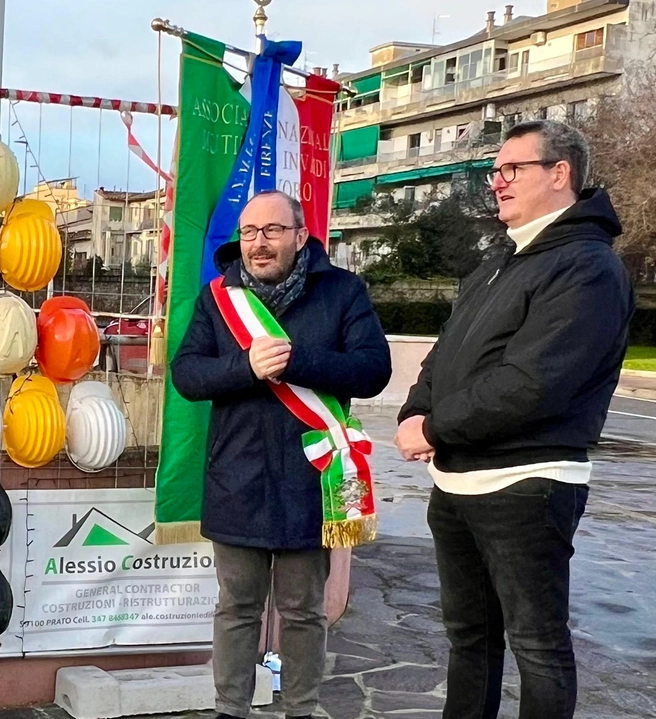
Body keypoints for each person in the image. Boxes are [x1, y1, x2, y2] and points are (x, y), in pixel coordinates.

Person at [395, 120, 632, 719]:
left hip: (526, 485)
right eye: (494, 172)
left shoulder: (588, 267)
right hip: (456, 484)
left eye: (511, 169)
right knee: (468, 638)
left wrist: (436, 428)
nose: (496, 183)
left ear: (560, 174)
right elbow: (445, 353)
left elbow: (534, 383)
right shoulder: (501, 262)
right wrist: (414, 410)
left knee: (538, 646)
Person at [171, 190, 392, 719]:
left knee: (302, 612)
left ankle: (300, 709)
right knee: (237, 609)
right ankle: (230, 710)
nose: (258, 244)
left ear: (300, 236)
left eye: (272, 231)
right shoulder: (217, 297)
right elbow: (187, 375)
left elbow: (373, 369)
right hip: (237, 476)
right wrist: (246, 368)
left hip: (311, 480)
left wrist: (298, 361)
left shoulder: (342, 291)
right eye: (249, 233)